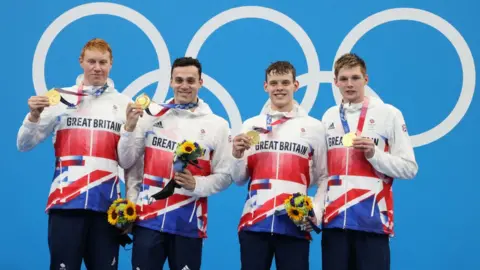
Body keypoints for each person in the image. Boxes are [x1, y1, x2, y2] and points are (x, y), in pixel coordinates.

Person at [17, 38, 132, 270]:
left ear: (111, 64)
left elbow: (129, 161)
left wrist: (130, 203)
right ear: (81, 62)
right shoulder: (58, 99)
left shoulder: (124, 104)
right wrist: (33, 116)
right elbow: (24, 144)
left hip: (106, 208)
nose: (97, 67)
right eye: (91, 61)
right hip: (66, 204)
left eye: (103, 62)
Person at [119, 57, 233, 270]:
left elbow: (226, 176)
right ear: (171, 82)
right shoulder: (150, 116)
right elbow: (127, 161)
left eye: (191, 80)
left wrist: (196, 185)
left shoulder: (217, 125)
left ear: (201, 82)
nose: (184, 86)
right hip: (147, 220)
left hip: (187, 223)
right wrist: (129, 127)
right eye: (179, 80)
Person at [321, 53, 419, 270]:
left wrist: (375, 154)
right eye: (344, 79)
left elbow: (409, 168)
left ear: (366, 79)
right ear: (335, 82)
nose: (349, 84)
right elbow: (323, 174)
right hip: (335, 221)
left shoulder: (388, 114)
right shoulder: (328, 117)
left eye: (355, 78)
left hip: (372, 220)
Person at [230, 61, 329, 270]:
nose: (279, 88)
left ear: (296, 85)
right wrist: (237, 155)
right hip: (254, 223)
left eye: (285, 82)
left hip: (294, 225)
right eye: (274, 83)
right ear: (265, 86)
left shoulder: (314, 127)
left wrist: (316, 213)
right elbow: (239, 179)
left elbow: (324, 177)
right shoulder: (251, 125)